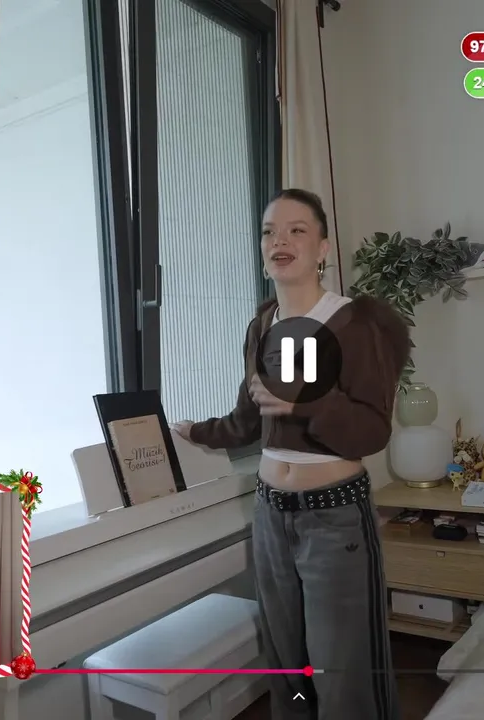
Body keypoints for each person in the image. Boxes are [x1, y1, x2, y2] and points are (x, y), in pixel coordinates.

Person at [174, 188, 408, 720]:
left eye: (296, 230)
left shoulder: (356, 323)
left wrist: (308, 402)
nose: (279, 240)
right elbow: (246, 420)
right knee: (289, 669)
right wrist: (193, 432)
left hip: (335, 518)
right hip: (270, 516)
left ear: (322, 248)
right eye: (268, 231)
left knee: (340, 674)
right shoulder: (262, 325)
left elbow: (372, 431)